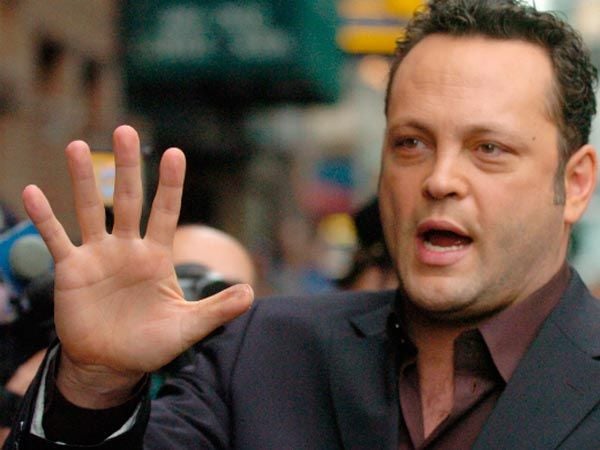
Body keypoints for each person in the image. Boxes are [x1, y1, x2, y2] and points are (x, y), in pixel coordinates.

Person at [5, 0, 600, 448]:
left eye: (489, 149)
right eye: (412, 142)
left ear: (575, 183)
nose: (440, 179)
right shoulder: (260, 354)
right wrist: (95, 387)